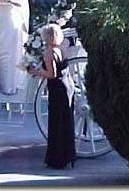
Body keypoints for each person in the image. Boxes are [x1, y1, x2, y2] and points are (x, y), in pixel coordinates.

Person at [28, 24, 76, 169]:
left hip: (57, 89)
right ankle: (68, 155)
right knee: (66, 121)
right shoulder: (62, 49)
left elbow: (52, 74)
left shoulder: (49, 53)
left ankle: (57, 159)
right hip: (67, 85)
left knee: (56, 123)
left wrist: (36, 72)